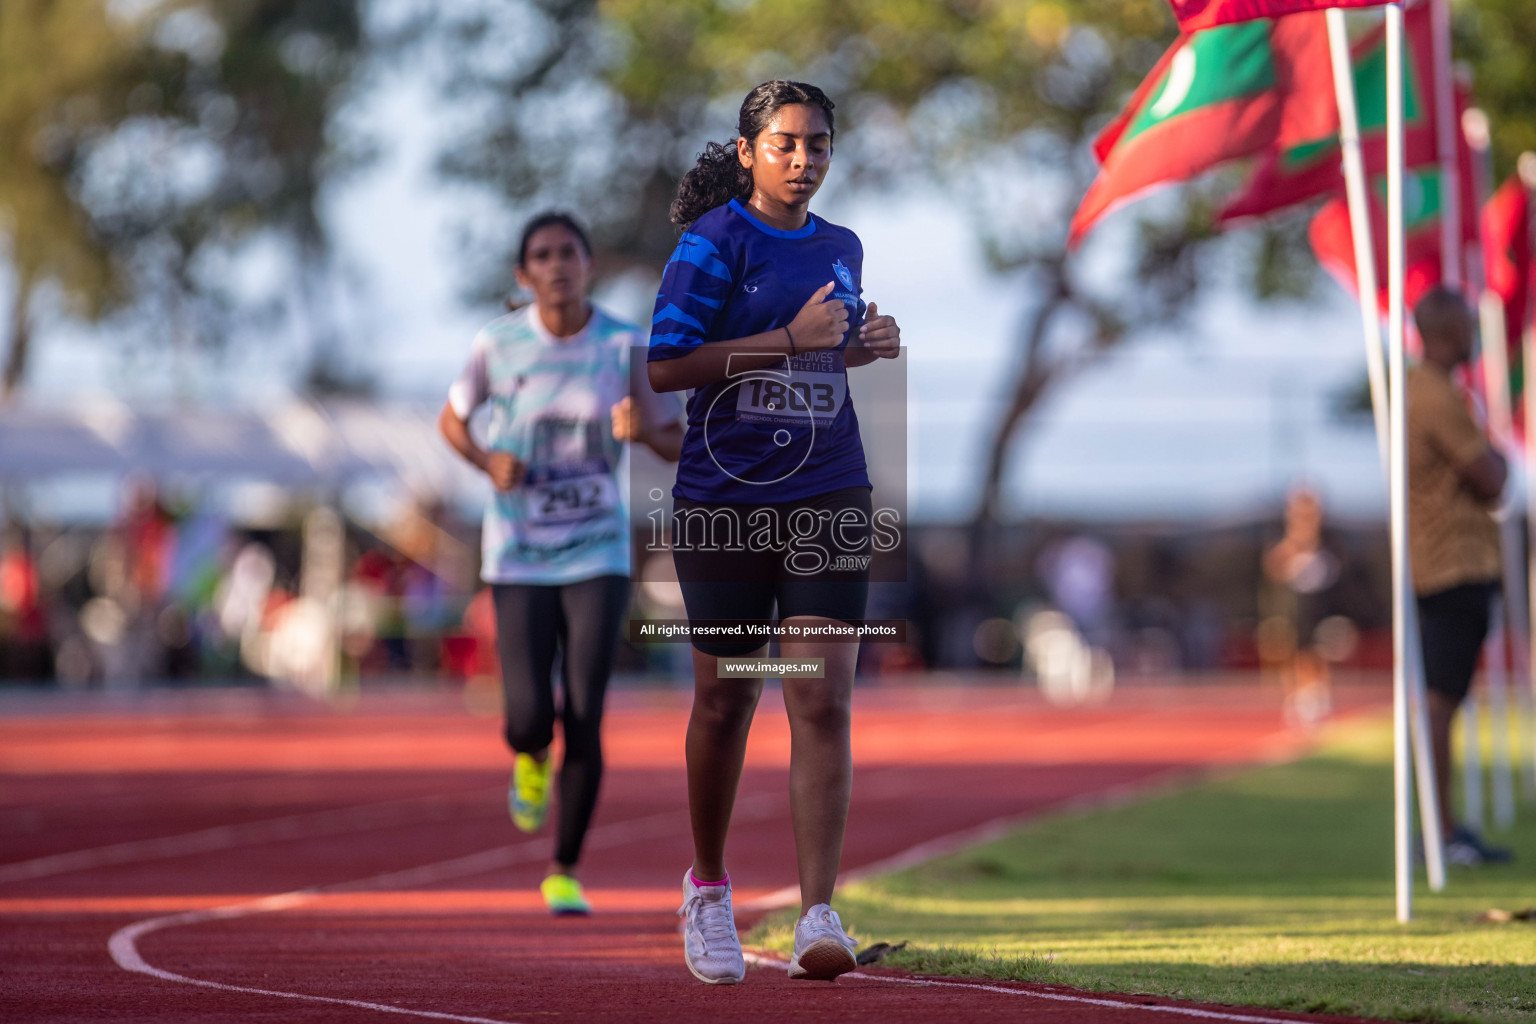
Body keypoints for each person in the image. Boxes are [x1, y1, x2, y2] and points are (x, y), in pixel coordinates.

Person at [647, 80, 902, 984]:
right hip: (725, 501)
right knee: (728, 700)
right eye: (787, 144)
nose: (805, 161)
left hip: (829, 489)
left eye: (820, 146)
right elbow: (668, 365)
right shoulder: (711, 244)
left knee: (822, 696)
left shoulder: (843, 245)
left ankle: (817, 913)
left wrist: (859, 344)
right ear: (750, 150)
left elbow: (822, 352)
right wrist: (792, 339)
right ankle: (708, 890)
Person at [440, 211, 684, 915]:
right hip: (517, 555)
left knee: (584, 708)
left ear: (589, 265)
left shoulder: (623, 345)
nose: (557, 266)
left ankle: (566, 867)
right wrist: (488, 460)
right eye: (542, 256)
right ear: (524, 275)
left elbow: (676, 441)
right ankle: (527, 754)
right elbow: (451, 421)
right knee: (526, 715)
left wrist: (645, 431)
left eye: (568, 253)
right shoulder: (497, 344)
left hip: (597, 553)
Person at [1407, 285, 1512, 866]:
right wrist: (1498, 461)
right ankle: (1439, 831)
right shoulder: (1435, 396)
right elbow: (1493, 478)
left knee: (1446, 695)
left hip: (1458, 563)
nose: (1475, 334)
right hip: (1451, 564)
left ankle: (1443, 827)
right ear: (1449, 332)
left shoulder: (1434, 392)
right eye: (1468, 325)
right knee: (1441, 699)